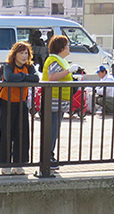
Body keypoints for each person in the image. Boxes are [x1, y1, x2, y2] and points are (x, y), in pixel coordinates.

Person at [0, 41, 39, 175]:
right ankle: (5, 164)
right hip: (6, 103)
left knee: (22, 134)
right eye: (21, 53)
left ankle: (19, 164)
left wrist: (22, 77)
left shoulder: (29, 66)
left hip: (21, 102)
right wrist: (25, 77)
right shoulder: (8, 66)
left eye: (26, 53)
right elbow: (9, 78)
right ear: (14, 54)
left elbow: (36, 78)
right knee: (6, 133)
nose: (24, 56)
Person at [43, 35, 81, 169]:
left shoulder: (60, 60)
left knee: (54, 130)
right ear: (61, 48)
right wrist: (69, 71)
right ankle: (48, 158)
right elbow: (52, 77)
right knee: (52, 130)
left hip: (59, 101)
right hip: (53, 100)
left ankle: (49, 156)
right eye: (67, 45)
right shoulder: (54, 60)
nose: (69, 47)